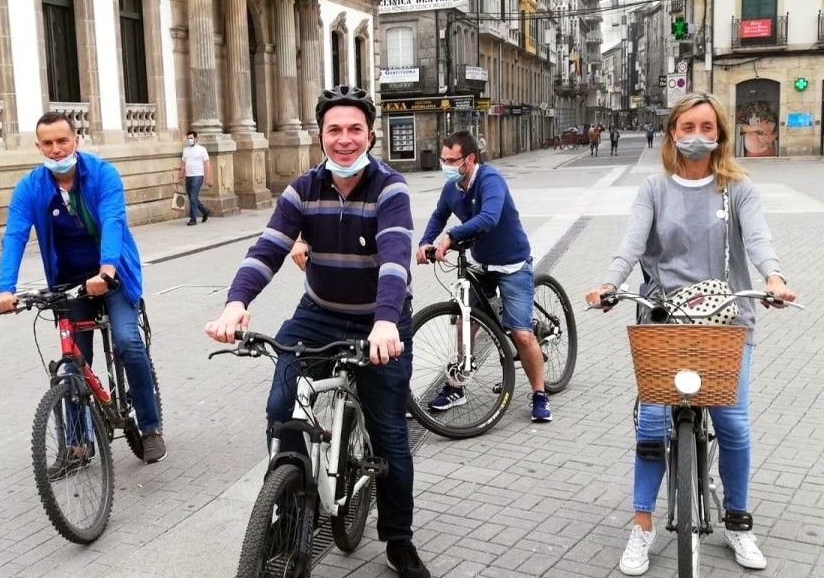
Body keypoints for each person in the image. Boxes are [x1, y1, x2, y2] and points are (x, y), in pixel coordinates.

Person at [205, 85, 430, 578]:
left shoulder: (389, 188)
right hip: (320, 311)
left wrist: (387, 320)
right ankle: (285, 507)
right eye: (334, 130)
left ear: (370, 134)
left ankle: (398, 539)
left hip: (380, 318)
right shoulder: (302, 188)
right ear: (321, 136)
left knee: (390, 432)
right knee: (279, 406)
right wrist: (236, 303)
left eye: (354, 130)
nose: (344, 140)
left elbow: (395, 260)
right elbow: (266, 250)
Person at [583, 92, 796, 576]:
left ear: (719, 133)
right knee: (653, 424)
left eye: (706, 127)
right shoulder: (653, 191)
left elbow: (759, 239)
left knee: (733, 425)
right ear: (672, 134)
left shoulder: (737, 189)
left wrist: (774, 279)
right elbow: (631, 244)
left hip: (725, 321)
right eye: (687, 127)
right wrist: (609, 284)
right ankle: (641, 526)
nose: (697, 135)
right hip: (664, 321)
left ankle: (739, 523)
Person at [0, 112, 165, 465]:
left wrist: (106, 270)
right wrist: (4, 290)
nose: (56, 150)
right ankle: (76, 444)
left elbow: (114, 221)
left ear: (76, 141)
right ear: (38, 146)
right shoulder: (30, 186)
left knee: (128, 342)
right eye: (48, 144)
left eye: (62, 141)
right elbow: (14, 235)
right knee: (72, 362)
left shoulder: (103, 174)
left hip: (112, 273)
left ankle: (150, 427)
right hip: (70, 282)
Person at [416, 131, 552, 423]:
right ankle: (457, 387)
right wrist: (425, 242)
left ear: (470, 159)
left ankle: (540, 394)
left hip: (512, 263)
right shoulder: (452, 187)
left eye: (452, 160)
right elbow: (439, 215)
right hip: (482, 264)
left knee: (522, 334)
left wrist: (451, 236)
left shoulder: (491, 180)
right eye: (443, 160)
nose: (446, 165)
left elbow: (489, 217)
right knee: (466, 320)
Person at [179, 130, 212, 225]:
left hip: (198, 176)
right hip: (188, 176)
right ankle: (205, 211)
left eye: (191, 138)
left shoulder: (202, 149)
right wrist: (180, 177)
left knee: (193, 197)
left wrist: (207, 177)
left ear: (196, 139)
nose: (189, 140)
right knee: (192, 198)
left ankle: (193, 219)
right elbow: (183, 164)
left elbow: (207, 164)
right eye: (188, 138)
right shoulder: (185, 150)